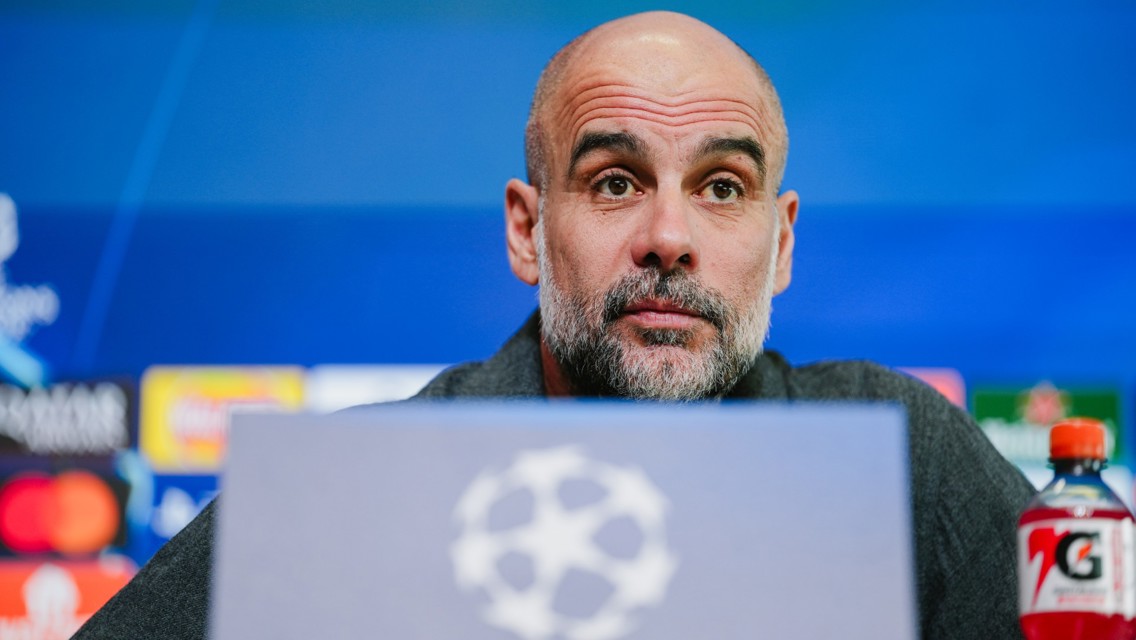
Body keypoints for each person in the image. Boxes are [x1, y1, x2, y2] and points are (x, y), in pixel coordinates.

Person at [76, 11, 1035, 640]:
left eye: (722, 188)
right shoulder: (357, 489)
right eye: (615, 181)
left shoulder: (899, 455)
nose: (669, 237)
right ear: (529, 230)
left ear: (780, 245)